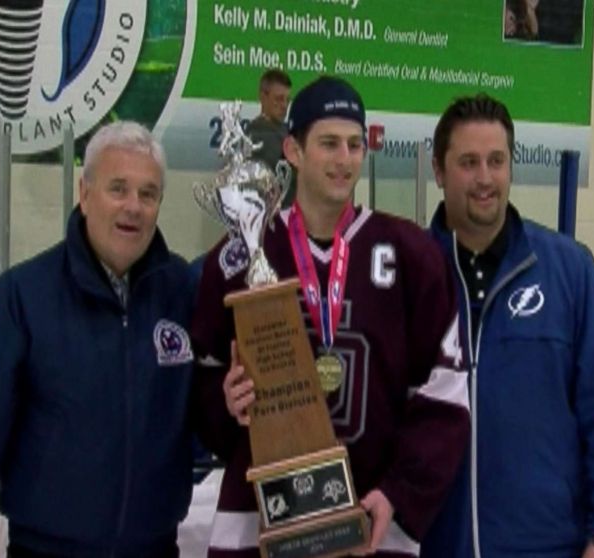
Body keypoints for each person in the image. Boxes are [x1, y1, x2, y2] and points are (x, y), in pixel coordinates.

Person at [192, 76, 471, 557]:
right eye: (328, 144)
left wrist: (400, 494)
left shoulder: (410, 256)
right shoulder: (242, 256)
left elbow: (445, 394)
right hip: (260, 528)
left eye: (354, 144)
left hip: (371, 525)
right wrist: (226, 402)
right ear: (293, 151)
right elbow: (200, 379)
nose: (344, 159)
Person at [0, 121, 196, 558]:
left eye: (148, 194)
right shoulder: (22, 297)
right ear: (84, 194)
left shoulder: (181, 292)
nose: (134, 207)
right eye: (118, 189)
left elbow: (201, 419)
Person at [422, 93, 594, 558]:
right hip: (435, 545)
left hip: (546, 545)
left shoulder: (569, 269)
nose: (485, 178)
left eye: (496, 161)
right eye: (468, 162)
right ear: (438, 170)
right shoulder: (407, 272)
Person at [246, 68, 295, 207]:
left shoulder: (291, 132)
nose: (284, 105)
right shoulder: (255, 136)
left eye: (287, 100)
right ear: (263, 97)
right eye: (278, 99)